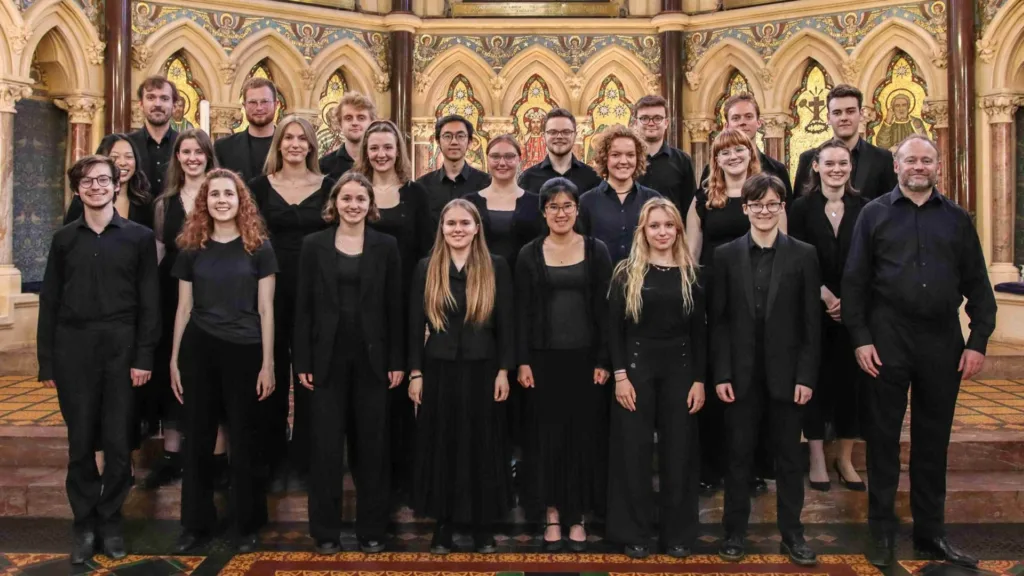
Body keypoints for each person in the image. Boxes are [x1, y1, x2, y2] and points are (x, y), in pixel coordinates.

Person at [842, 135, 996, 569]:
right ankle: (882, 535)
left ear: (937, 166)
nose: (919, 166)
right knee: (883, 441)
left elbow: (979, 287)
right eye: (911, 159)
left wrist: (978, 342)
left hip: (941, 342)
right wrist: (860, 338)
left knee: (933, 442)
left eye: (927, 160)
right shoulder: (873, 215)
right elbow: (854, 283)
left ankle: (931, 533)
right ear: (897, 165)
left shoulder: (957, 219)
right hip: (886, 340)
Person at [37, 155, 160, 565]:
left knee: (118, 444)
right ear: (77, 190)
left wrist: (144, 356)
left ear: (116, 185)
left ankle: (111, 520)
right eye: (87, 181)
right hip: (73, 349)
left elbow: (149, 303)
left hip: (122, 348)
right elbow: (49, 303)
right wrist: (47, 362)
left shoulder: (138, 237)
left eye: (103, 180)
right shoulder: (64, 239)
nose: (96, 187)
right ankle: (84, 524)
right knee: (79, 444)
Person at [711, 173, 820, 566]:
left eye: (772, 204)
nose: (764, 211)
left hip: (788, 378)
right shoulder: (724, 255)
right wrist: (721, 373)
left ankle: (793, 535)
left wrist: (806, 377)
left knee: (789, 460)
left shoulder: (804, 255)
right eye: (756, 205)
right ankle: (734, 533)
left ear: (782, 208)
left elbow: (811, 324)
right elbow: (718, 322)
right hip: (739, 377)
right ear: (745, 209)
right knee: (738, 457)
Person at [294, 172, 403, 555]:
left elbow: (395, 307)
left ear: (370, 205)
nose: (353, 205)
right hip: (326, 358)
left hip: (374, 360)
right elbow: (303, 307)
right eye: (346, 199)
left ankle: (372, 529)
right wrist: (302, 359)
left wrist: (397, 360)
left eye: (360, 199)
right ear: (334, 203)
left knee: (372, 447)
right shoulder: (314, 245)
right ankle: (325, 531)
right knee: (325, 448)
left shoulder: (386, 246)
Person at [170, 168, 277, 554]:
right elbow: (183, 308)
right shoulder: (190, 247)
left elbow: (266, 309)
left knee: (244, 441)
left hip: (246, 350)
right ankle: (195, 524)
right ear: (205, 201)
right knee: (197, 438)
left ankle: (245, 524)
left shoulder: (259, 247)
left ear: (240, 200)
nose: (221, 200)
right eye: (214, 194)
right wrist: (173, 360)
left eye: (228, 194)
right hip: (200, 349)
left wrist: (268, 363)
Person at [408, 199, 514, 555]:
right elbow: (412, 325)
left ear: (476, 228)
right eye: (450, 223)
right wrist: (415, 372)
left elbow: (507, 325)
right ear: (441, 228)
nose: (457, 229)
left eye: (464, 223)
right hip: (438, 369)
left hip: (484, 368)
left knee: (482, 444)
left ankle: (483, 525)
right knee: (443, 446)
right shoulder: (426, 267)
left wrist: (504, 370)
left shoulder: (495, 266)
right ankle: (444, 524)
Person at [515, 177, 612, 552]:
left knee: (581, 439)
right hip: (541, 363)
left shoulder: (596, 249)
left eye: (567, 206)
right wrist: (522, 361)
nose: (560, 213)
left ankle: (578, 516)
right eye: (553, 206)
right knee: (546, 440)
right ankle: (552, 514)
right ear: (543, 212)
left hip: (587, 362)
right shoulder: (528, 253)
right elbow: (520, 313)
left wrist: (605, 358)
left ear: (577, 210)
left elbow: (606, 309)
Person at [606, 197, 705, 560]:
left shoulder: (691, 273)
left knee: (679, 454)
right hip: (634, 371)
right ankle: (634, 532)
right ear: (643, 231)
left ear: (678, 229)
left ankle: (678, 534)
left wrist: (699, 380)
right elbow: (613, 331)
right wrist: (620, 377)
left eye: (668, 225)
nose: (662, 232)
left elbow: (700, 334)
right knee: (633, 453)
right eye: (654, 226)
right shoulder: (625, 272)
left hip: (681, 371)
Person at [249, 115, 335, 492]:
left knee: (310, 371)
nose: (296, 144)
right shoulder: (258, 187)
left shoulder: (330, 186)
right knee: (271, 366)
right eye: (289, 138)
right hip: (270, 287)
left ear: (312, 145)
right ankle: (270, 451)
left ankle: (306, 454)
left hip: (317, 289)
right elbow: (249, 238)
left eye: (302, 138)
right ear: (279, 145)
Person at [352, 119, 432, 495]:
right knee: (367, 386)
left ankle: (402, 472)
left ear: (398, 150)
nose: (381, 154)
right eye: (374, 148)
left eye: (388, 147)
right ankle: (368, 470)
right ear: (364, 152)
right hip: (362, 302)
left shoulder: (415, 194)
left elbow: (426, 249)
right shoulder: (354, 193)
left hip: (404, 300)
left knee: (401, 384)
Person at [788, 139, 869, 492]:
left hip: (854, 309)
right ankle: (818, 456)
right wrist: (824, 294)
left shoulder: (866, 208)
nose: (836, 169)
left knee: (852, 383)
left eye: (843, 163)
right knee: (817, 380)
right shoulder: (800, 208)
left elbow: (869, 260)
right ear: (815, 167)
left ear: (851, 168)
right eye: (829, 163)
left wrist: (848, 301)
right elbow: (795, 258)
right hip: (812, 305)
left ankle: (846, 458)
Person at [685, 128, 763, 492]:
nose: (732, 157)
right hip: (713, 297)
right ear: (715, 160)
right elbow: (690, 255)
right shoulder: (703, 199)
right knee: (716, 378)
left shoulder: (765, 195)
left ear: (750, 153)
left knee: (750, 380)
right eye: (724, 152)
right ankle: (710, 467)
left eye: (739, 150)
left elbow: (783, 247)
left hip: (755, 297)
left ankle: (749, 467)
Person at [144, 129, 223, 491]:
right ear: (177, 158)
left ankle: (219, 457)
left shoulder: (223, 193)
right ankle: (173, 454)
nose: (192, 158)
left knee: (213, 370)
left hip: (215, 290)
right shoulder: (165, 203)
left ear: (209, 155)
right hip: (171, 290)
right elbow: (159, 252)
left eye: (198, 151)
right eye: (185, 152)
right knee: (170, 369)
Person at [793, 85, 898, 200]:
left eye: (850, 111)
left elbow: (890, 207)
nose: (844, 117)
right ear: (828, 117)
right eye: (837, 113)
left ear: (861, 114)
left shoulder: (883, 159)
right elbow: (798, 209)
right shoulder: (808, 159)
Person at [578, 124, 661, 264]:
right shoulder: (586, 202)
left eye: (630, 155)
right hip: (602, 283)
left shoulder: (653, 200)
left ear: (638, 158)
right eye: (615, 155)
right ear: (605, 158)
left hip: (645, 282)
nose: (623, 161)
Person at [463, 135, 543, 275]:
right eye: (495, 156)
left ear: (519, 159)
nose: (502, 162)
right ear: (487, 159)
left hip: (525, 281)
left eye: (509, 156)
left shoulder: (536, 203)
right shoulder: (469, 203)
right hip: (478, 281)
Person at [698, 94, 791, 202]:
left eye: (748, 116)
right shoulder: (712, 170)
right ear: (726, 125)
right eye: (736, 118)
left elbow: (786, 212)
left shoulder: (776, 170)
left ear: (759, 122)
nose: (742, 122)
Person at [415, 114, 492, 227]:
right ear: (438, 141)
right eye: (447, 136)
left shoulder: (487, 183)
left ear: (470, 142)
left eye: (460, 136)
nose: (454, 142)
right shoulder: (422, 186)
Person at [64, 134, 154, 230]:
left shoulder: (144, 201)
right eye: (114, 157)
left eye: (129, 157)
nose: (122, 163)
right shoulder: (85, 197)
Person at [633, 95, 697, 216]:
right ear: (636, 123)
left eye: (657, 118)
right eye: (645, 118)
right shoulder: (626, 161)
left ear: (666, 122)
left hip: (671, 232)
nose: (651, 123)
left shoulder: (682, 161)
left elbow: (690, 208)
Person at [518, 108, 602, 196]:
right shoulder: (528, 178)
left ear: (575, 135)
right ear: (544, 136)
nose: (559, 136)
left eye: (566, 132)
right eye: (553, 132)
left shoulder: (592, 177)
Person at [215, 77, 278, 182]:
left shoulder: (289, 146)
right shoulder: (223, 148)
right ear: (244, 105)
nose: (259, 108)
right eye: (253, 102)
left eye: (265, 101)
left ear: (276, 105)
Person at [129, 76, 180, 198]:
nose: (157, 104)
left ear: (174, 106)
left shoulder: (185, 145)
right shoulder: (127, 144)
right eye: (151, 98)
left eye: (164, 98)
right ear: (141, 104)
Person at [320, 91, 376, 179]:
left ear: (371, 122)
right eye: (348, 118)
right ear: (339, 123)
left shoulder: (381, 162)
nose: (355, 123)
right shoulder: (323, 166)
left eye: (361, 118)